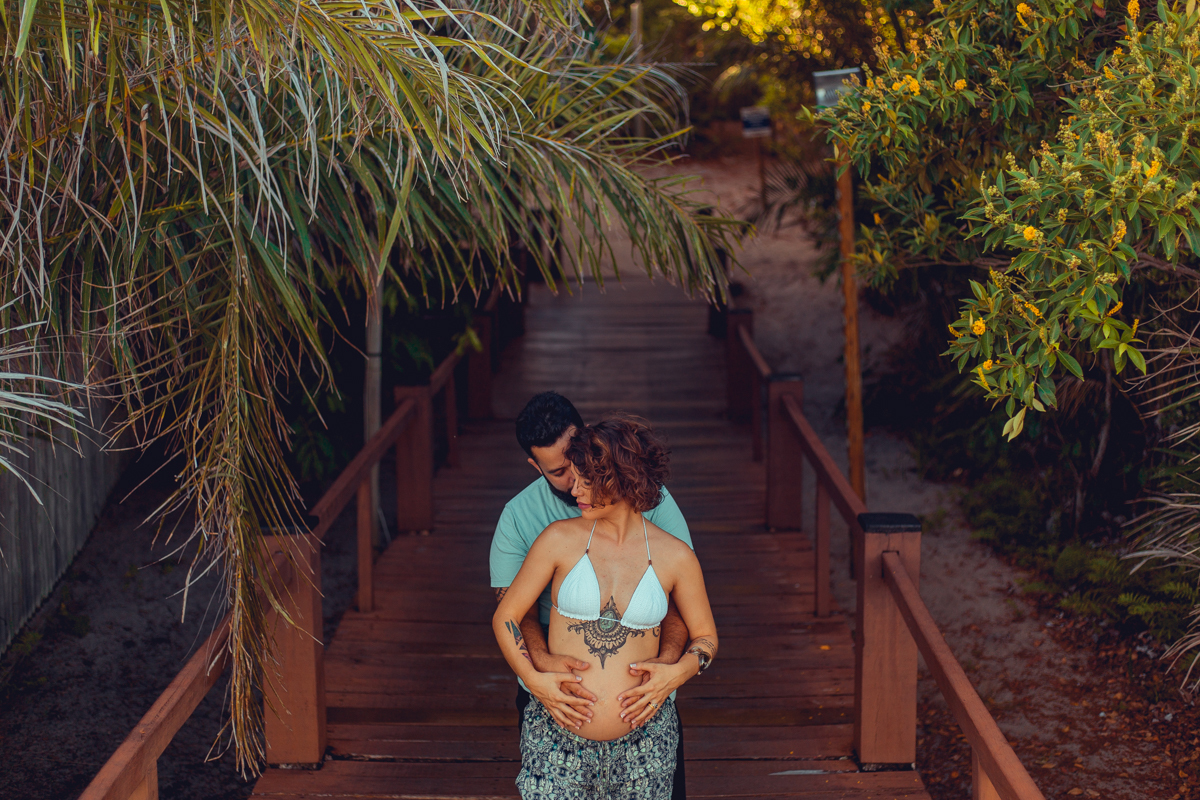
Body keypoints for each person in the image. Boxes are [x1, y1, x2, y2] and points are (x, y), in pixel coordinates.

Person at [493, 415, 718, 798]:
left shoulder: (676, 556)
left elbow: (706, 638)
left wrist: (678, 672)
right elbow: (506, 617)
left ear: (621, 479)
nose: (575, 489)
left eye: (586, 480)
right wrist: (533, 680)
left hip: (646, 738)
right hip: (556, 735)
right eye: (574, 477)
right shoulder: (557, 539)